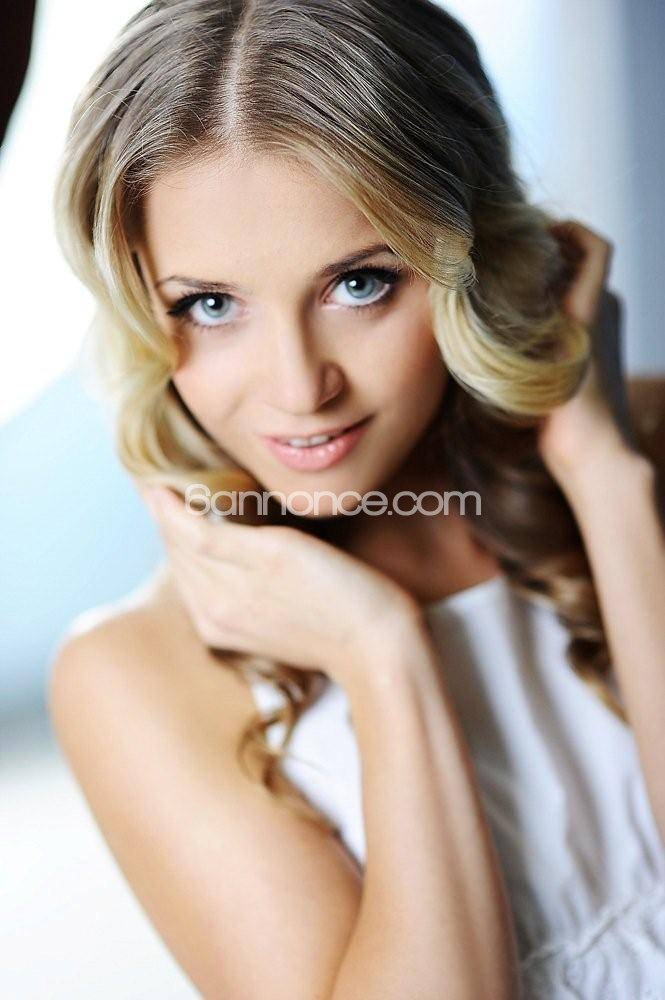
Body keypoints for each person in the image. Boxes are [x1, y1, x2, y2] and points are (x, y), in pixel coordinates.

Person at [47, 1, 665, 996]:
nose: (300, 388)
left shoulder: (640, 452)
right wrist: (380, 655)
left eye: (360, 285)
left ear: (473, 253)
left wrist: (607, 479)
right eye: (210, 304)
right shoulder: (134, 672)